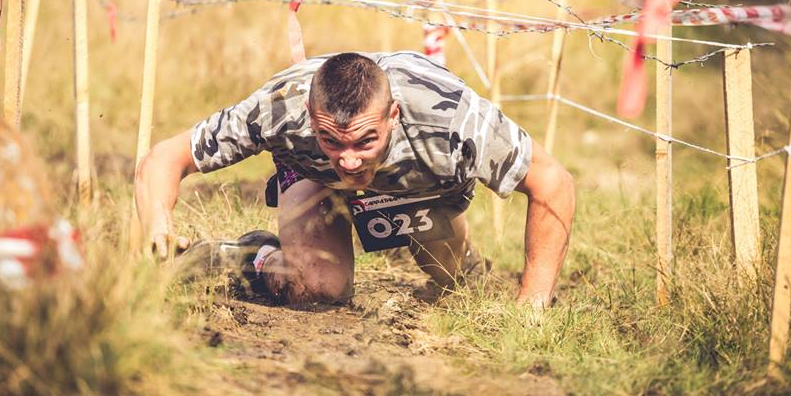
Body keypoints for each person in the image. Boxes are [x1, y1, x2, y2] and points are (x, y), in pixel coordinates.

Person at [135, 51, 575, 307]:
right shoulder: (278, 107)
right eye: (331, 140)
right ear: (309, 117)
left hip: (424, 183)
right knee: (318, 290)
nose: (348, 161)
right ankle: (255, 254)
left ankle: (464, 259)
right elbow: (166, 157)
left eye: (364, 141)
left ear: (394, 116)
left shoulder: (456, 120)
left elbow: (553, 183)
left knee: (453, 281)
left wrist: (532, 306)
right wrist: (157, 224)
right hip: (313, 180)